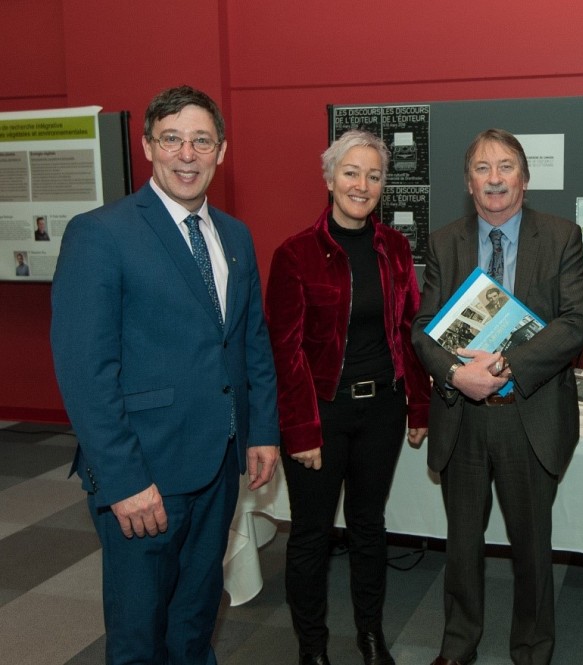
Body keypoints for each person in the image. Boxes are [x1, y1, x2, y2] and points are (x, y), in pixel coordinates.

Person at [50, 85, 281, 665]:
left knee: (196, 616)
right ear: (149, 145)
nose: (187, 153)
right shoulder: (100, 234)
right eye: (172, 139)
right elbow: (86, 372)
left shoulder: (235, 236)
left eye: (201, 140)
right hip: (144, 471)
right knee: (139, 633)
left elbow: (250, 341)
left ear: (220, 151)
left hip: (218, 461)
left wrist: (261, 431)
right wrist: (124, 479)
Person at [412, 128, 583, 665]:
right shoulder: (446, 241)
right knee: (462, 546)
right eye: (483, 169)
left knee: (532, 548)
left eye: (506, 167)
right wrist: (454, 374)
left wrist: (509, 364)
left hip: (528, 414)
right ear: (468, 183)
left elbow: (577, 321)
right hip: (461, 416)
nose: (495, 179)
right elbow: (423, 328)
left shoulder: (560, 236)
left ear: (525, 178)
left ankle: (533, 649)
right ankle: (458, 643)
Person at [265, 129, 430, 665]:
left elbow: (409, 329)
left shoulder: (396, 248)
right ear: (329, 178)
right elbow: (284, 351)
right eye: (352, 173)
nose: (362, 185)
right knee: (311, 535)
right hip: (322, 413)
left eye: (374, 175)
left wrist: (419, 405)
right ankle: (312, 648)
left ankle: (370, 635)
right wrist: (301, 429)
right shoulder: (295, 254)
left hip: (382, 408)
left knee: (368, 528)